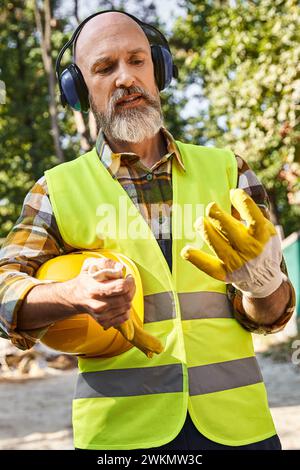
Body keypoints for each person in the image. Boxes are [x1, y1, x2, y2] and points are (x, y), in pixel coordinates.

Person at [0, 10, 296, 451]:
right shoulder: (56, 189)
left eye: (137, 60)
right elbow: (4, 289)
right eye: (104, 68)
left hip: (240, 430)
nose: (126, 78)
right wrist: (71, 295)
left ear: (158, 69)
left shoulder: (229, 171)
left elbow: (272, 315)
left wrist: (264, 284)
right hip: (120, 437)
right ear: (79, 90)